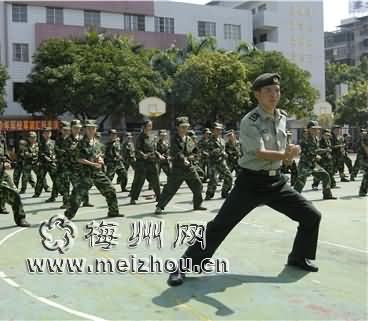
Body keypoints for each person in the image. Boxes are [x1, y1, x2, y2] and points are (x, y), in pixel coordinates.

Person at [167, 73, 323, 286]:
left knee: (311, 215)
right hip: (250, 183)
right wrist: (286, 155)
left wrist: (290, 152)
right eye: (268, 91)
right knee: (220, 225)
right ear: (257, 95)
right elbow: (259, 152)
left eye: (276, 90)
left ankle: (298, 257)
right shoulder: (250, 121)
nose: (273, 95)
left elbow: (281, 153)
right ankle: (183, 267)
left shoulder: (282, 117)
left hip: (275, 182)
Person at [64, 120, 123, 220]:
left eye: (93, 128)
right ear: (85, 130)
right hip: (85, 173)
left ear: (95, 129)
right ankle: (67, 216)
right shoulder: (80, 143)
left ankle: (113, 211)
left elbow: (100, 155)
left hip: (97, 173)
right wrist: (93, 164)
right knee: (77, 196)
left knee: (111, 190)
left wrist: (101, 160)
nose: (91, 130)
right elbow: (79, 159)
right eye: (88, 128)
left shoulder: (98, 143)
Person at [155, 117, 207, 214]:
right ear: (178, 127)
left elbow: (195, 150)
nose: (185, 129)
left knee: (198, 185)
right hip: (178, 169)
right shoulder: (174, 139)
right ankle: (159, 206)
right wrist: (185, 159)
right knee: (170, 189)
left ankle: (197, 204)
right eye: (183, 127)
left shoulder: (189, 138)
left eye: (186, 127)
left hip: (189, 168)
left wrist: (195, 156)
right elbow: (177, 152)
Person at [293, 121, 336, 200]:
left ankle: (327, 194)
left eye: (318, 129)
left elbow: (313, 152)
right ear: (309, 129)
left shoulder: (315, 138)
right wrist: (325, 150)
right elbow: (313, 150)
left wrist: (317, 155)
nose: (317, 131)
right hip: (305, 164)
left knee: (325, 175)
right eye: (314, 129)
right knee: (300, 183)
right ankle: (293, 199)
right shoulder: (306, 139)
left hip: (312, 163)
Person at [130, 120, 161, 205]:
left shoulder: (152, 137)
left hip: (152, 162)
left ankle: (159, 196)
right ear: (144, 127)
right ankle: (133, 198)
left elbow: (155, 149)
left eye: (151, 126)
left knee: (155, 180)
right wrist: (143, 155)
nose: (150, 127)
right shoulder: (140, 137)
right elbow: (137, 149)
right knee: (139, 181)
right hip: (142, 163)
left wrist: (159, 155)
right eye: (148, 126)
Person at [0, 154, 30, 227]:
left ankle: (20, 218)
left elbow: (4, 155)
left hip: (2, 174)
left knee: (15, 194)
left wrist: (6, 162)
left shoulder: (2, 142)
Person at [205, 122, 233, 200]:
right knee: (213, 179)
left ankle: (225, 192)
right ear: (213, 130)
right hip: (213, 162)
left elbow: (224, 150)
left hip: (222, 162)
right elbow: (208, 151)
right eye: (217, 129)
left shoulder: (222, 140)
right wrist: (221, 152)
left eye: (220, 130)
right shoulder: (209, 140)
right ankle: (209, 194)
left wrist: (225, 154)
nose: (219, 131)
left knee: (229, 177)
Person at [33, 127, 58, 202]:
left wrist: (55, 159)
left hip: (52, 163)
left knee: (55, 179)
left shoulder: (53, 142)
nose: (47, 134)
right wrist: (47, 159)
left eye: (49, 133)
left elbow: (56, 151)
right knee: (40, 179)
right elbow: (41, 153)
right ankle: (37, 193)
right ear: (43, 134)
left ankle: (56, 193)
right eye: (46, 133)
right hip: (43, 163)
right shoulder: (40, 143)